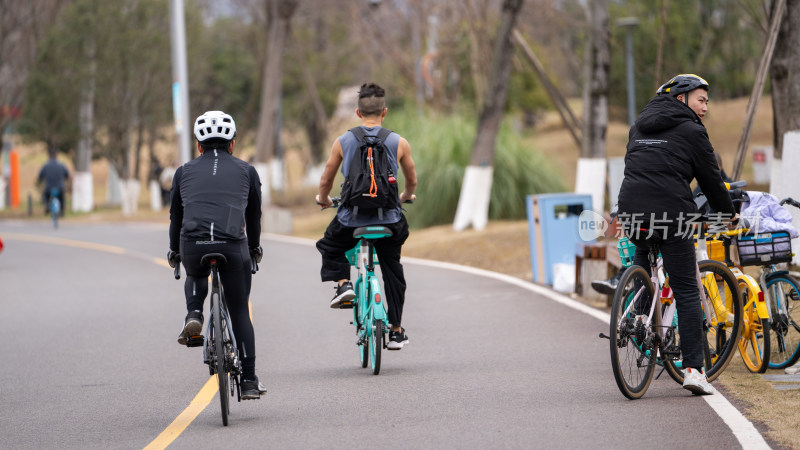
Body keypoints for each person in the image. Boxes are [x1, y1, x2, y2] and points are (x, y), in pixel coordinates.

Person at [617, 74, 736, 396]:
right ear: (681, 99)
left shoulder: (638, 126)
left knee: (645, 271)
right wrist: (727, 213)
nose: (705, 108)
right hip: (672, 215)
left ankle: (638, 318)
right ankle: (695, 370)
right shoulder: (693, 131)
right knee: (685, 289)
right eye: (701, 100)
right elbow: (711, 179)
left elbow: (637, 169)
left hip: (631, 212)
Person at [167, 110, 266, 399]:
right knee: (239, 311)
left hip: (193, 244)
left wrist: (175, 250)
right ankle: (248, 381)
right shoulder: (247, 171)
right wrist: (254, 248)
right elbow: (254, 216)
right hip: (233, 246)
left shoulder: (183, 172)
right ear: (232, 143)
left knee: (195, 271)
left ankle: (194, 312)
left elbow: (176, 216)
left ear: (198, 145)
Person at [315, 82, 417, 350]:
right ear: (385, 112)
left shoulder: (343, 141)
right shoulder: (399, 141)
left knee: (329, 246)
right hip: (390, 220)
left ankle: (344, 284)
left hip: (351, 219)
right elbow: (412, 180)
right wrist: (405, 195)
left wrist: (323, 199)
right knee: (393, 268)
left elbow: (326, 177)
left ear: (358, 114)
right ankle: (395, 331)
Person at [37, 149, 70, 216]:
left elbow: (40, 176)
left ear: (49, 156)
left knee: (45, 197)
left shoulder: (46, 166)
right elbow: (67, 175)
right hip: (60, 188)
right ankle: (62, 211)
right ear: (56, 156)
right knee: (62, 199)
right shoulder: (61, 165)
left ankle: (47, 206)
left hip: (49, 188)